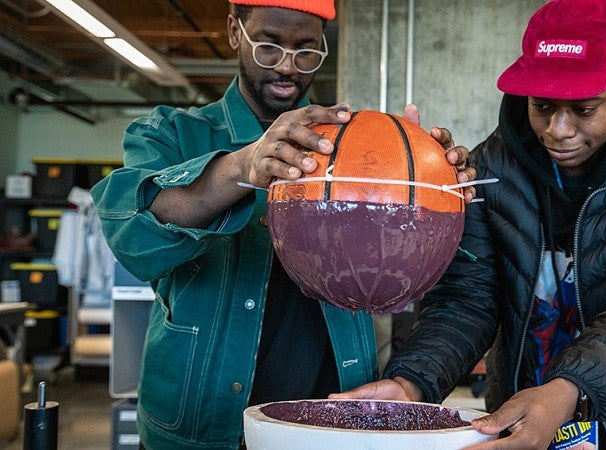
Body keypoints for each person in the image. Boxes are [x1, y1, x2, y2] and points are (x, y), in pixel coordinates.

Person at [332, 0, 606, 449]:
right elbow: (467, 301)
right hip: (520, 423)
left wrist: (567, 393)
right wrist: (413, 382)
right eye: (542, 105)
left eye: (584, 108)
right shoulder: (489, 167)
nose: (558, 130)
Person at [90, 1, 474, 448]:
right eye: (269, 46)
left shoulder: (350, 141)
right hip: (201, 419)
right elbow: (134, 239)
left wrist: (429, 186)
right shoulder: (170, 132)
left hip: (331, 406)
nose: (288, 67)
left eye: (306, 50)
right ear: (235, 30)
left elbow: (415, 272)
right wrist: (241, 167)